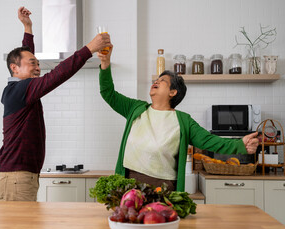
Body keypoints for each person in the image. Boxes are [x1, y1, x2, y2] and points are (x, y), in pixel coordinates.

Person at [97, 47, 259, 192]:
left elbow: (210, 141)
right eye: (156, 80)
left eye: (162, 81)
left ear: (173, 92)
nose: (156, 81)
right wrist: (105, 64)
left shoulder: (183, 121)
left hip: (161, 187)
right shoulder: (136, 108)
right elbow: (108, 93)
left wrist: (240, 144)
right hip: (128, 184)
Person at [0, 7, 112, 201]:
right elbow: (57, 76)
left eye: (38, 63)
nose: (38, 67)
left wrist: (28, 28)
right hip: (16, 178)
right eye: (33, 63)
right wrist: (89, 48)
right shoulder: (21, 90)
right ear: (14, 68)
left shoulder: (18, 89)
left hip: (17, 176)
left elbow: (25, 56)